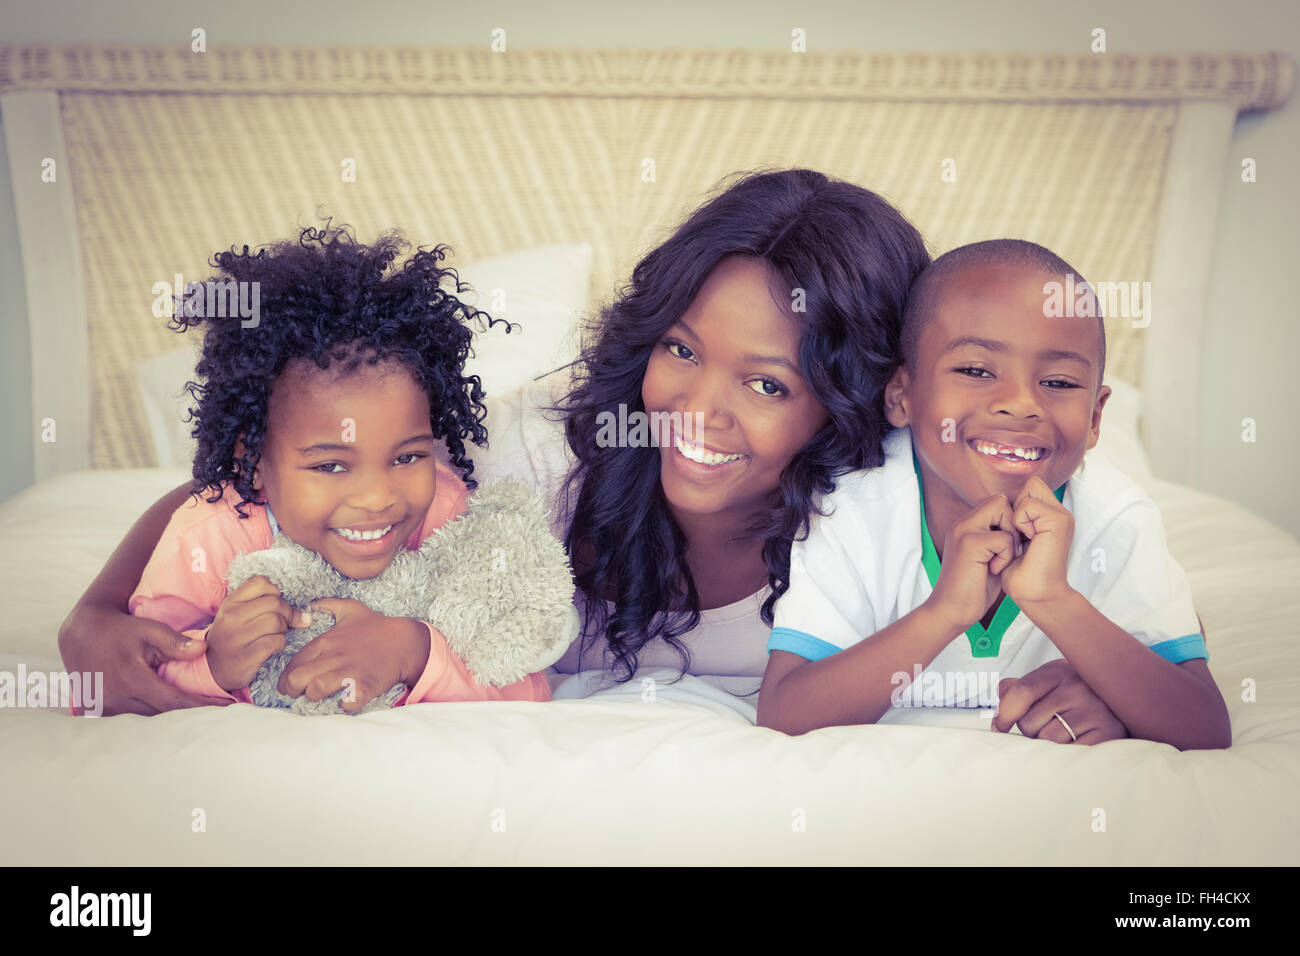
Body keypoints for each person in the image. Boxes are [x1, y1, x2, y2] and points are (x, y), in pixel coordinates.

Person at [60, 170, 1129, 741]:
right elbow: (267, 495)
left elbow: (1095, 557)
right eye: (679, 349)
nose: (695, 408)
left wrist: (1102, 676)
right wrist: (98, 613)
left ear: (853, 399)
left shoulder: (899, 489)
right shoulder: (543, 452)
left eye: (767, 384)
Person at [758, 239, 1231, 749]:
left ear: (1096, 418)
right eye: (976, 371)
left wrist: (1053, 600)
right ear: (902, 394)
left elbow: (1204, 726)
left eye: (1058, 381)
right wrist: (944, 612)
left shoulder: (1117, 517)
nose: (1020, 404)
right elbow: (786, 712)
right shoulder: (852, 505)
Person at [112, 223, 555, 713]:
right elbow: (128, 678)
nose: (376, 497)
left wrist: (415, 651)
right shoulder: (207, 538)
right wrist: (213, 666)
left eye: (407, 457)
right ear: (252, 461)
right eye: (330, 466)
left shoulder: (446, 518)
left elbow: (526, 689)